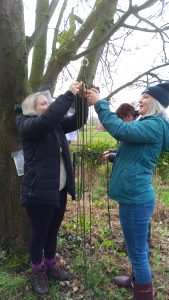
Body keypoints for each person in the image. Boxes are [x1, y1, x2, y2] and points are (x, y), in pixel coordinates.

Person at [87, 81, 169, 300]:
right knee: (137, 247)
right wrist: (115, 155)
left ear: (156, 103)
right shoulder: (150, 124)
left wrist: (100, 104)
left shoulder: (153, 125)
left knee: (138, 252)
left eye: (145, 97)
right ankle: (136, 281)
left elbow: (120, 128)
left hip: (135, 199)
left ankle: (143, 294)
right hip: (135, 196)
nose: (140, 100)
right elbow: (136, 154)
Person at [16, 82, 88, 296]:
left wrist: (81, 100)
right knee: (40, 232)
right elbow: (46, 121)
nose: (49, 105)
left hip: (58, 188)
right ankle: (37, 271)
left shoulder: (54, 125)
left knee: (53, 229)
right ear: (32, 107)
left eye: (50, 102)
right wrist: (68, 95)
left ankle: (51, 263)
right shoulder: (27, 124)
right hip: (38, 191)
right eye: (44, 102)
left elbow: (77, 120)